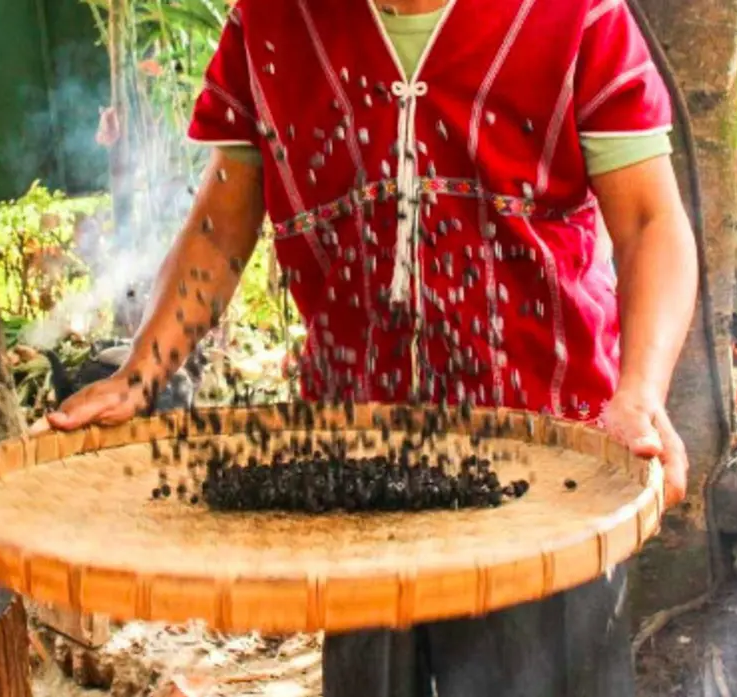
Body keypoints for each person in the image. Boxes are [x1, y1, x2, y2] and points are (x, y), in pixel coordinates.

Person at [41, 0, 696, 694]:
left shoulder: (577, 19)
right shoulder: (270, 26)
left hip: (549, 458)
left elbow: (650, 221)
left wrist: (641, 392)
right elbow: (222, 217)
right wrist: (140, 374)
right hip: (357, 461)